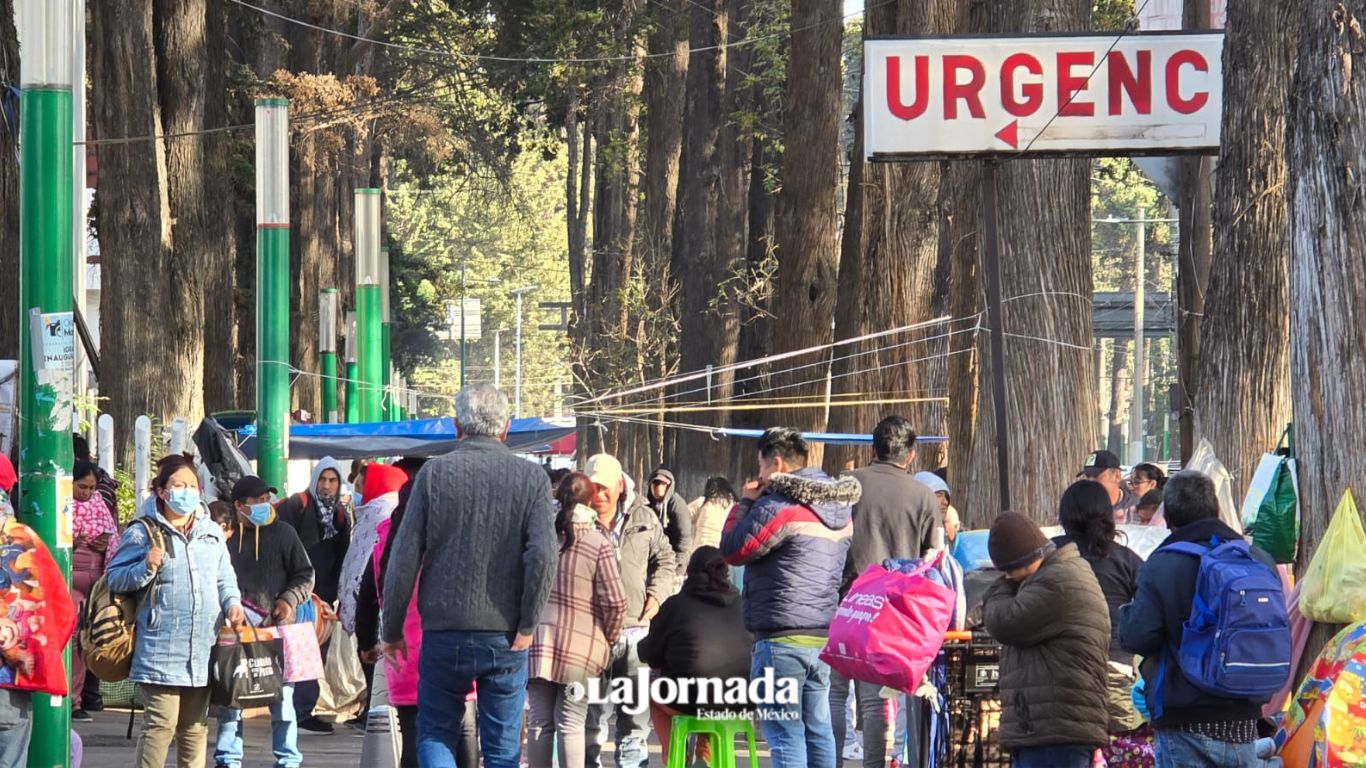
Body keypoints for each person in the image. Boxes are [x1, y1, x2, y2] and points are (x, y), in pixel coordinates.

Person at [382, 385, 558, 768]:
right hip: (507, 633)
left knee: (435, 733)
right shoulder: (532, 480)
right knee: (501, 748)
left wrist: (391, 630)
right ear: (506, 427)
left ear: (456, 426)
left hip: (444, 630)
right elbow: (543, 555)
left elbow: (403, 557)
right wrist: (528, 621)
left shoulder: (433, 474)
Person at [1118, 471, 1279, 767]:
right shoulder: (1258, 559)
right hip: (1244, 722)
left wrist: (1125, 613)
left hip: (1185, 722)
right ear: (1217, 510)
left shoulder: (1164, 564)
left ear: (1168, 520)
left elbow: (1136, 636)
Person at [720, 427, 859, 768]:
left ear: (777, 464)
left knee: (784, 733)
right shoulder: (840, 509)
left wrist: (746, 501)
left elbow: (733, 549)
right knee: (818, 729)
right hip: (821, 636)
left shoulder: (779, 506)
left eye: (762, 467)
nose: (761, 475)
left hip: (780, 639)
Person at [106, 454, 245, 768]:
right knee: (160, 726)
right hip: (159, 649)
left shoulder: (211, 531)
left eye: (192, 485)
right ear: (162, 491)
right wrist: (145, 567)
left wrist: (232, 604)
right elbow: (114, 577)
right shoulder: (143, 532)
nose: (187, 491)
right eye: (179, 485)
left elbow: (225, 577)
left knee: (195, 729)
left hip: (203, 649)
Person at [357, 464, 480, 768]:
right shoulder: (450, 539)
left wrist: (366, 643)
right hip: (450, 650)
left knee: (413, 734)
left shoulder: (383, 540)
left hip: (402, 656)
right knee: (462, 732)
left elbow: (369, 598)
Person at [836, 416, 941, 768]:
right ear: (911, 455)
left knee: (834, 695)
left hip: (843, 604)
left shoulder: (848, 484)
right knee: (876, 700)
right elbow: (934, 558)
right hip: (893, 614)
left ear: (872, 449)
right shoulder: (925, 497)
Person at [982, 511, 1110, 768]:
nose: (1008, 577)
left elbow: (1003, 621)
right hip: (1056, 726)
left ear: (1030, 557)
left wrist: (998, 589)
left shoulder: (1057, 581)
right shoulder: (1062, 572)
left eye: (1009, 569)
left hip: (1056, 730)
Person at [582, 454, 676, 768]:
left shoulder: (644, 517)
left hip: (637, 634)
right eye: (592, 487)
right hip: (592, 635)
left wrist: (658, 593)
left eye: (605, 487)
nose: (599, 494)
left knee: (635, 722)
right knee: (591, 719)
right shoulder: (575, 521)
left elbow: (666, 560)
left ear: (619, 486)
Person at [212, 476, 313, 768]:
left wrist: (288, 600)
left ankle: (288, 759)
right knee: (232, 700)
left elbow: (305, 575)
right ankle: (228, 758)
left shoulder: (285, 533)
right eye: (257, 501)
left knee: (282, 702)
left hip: (276, 632)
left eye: (266, 499)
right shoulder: (226, 537)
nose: (263, 505)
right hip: (234, 632)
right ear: (239, 505)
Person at [527, 472, 627, 768]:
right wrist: (608, 638)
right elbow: (616, 602)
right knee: (571, 724)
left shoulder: (540, 534)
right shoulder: (598, 542)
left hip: (539, 643)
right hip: (582, 650)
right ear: (589, 500)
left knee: (539, 723)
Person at [639, 546, 753, 767]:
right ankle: (704, 753)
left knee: (654, 693)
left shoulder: (675, 605)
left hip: (688, 698)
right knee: (710, 696)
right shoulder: (743, 605)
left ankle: (675, 756)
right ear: (725, 573)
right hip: (742, 699)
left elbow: (649, 654)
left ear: (689, 573)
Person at [1053, 481, 1146, 736]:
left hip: (1060, 670)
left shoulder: (1048, 554)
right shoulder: (1126, 559)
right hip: (1115, 667)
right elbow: (1149, 611)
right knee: (1118, 751)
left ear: (1065, 514)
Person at [275, 456, 351, 731]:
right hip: (297, 594)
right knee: (298, 652)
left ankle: (303, 708)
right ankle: (297, 709)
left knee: (314, 652)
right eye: (323, 479)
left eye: (333, 480)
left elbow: (342, 555)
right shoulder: (297, 505)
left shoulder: (340, 517)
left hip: (324, 599)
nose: (328, 486)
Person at [70, 460, 122, 722]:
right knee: (71, 638)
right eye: (81, 487)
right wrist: (72, 542)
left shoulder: (99, 504)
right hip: (69, 578)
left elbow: (113, 535)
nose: (86, 493)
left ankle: (77, 700)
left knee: (84, 642)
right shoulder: (59, 505)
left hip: (96, 578)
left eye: (91, 488)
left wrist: (105, 543)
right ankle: (66, 700)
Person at [646, 467, 693, 577]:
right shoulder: (649, 507)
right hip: (655, 560)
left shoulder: (678, 506)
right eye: (656, 483)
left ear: (669, 486)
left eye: (663, 484)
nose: (659, 487)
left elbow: (684, 539)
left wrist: (678, 565)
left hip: (674, 562)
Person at [1080, 450, 1139, 524]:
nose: (1090, 481)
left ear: (1117, 476)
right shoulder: (1081, 507)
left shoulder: (1138, 508)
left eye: (1096, 476)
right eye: (1087, 476)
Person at [689, 477, 736, 551]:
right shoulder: (734, 506)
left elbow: (683, 516)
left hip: (699, 550)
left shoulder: (703, 502)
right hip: (722, 552)